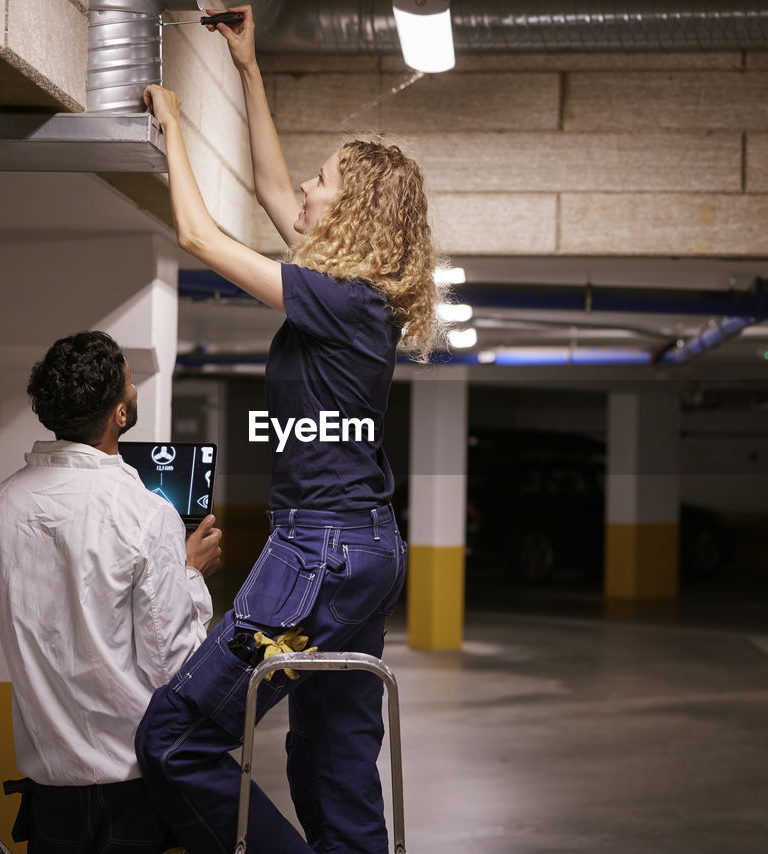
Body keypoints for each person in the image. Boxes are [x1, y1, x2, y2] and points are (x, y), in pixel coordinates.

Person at [133, 6, 443, 854]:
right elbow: (271, 192)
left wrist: (175, 129)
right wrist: (249, 67)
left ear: (351, 214)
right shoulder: (352, 298)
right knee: (330, 764)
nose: (304, 190)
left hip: (321, 554)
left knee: (177, 738)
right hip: (362, 553)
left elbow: (199, 233)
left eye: (321, 180)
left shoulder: (341, 302)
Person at [0, 330, 223, 854]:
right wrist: (189, 573)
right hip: (130, 784)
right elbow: (172, 667)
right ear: (119, 414)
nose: (134, 392)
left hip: (47, 787)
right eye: (131, 385)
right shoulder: (144, 513)